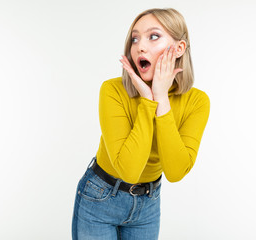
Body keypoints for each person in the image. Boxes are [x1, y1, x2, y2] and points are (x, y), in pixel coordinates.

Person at [72, 8, 210, 240]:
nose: (140, 47)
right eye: (135, 39)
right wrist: (148, 102)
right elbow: (129, 170)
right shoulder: (112, 90)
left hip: (148, 203)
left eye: (153, 36)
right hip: (100, 197)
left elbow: (176, 172)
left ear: (179, 48)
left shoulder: (197, 102)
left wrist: (161, 97)